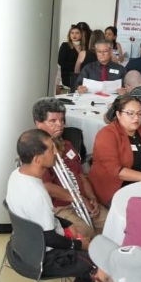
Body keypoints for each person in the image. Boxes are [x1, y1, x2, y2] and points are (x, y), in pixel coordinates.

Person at [6, 130, 94, 282]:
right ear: (37, 158)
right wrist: (79, 245)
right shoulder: (38, 193)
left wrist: (67, 224)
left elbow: (34, 218)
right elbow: (50, 238)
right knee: (97, 265)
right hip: (44, 257)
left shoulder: (16, 175)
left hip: (20, 246)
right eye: (51, 149)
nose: (55, 152)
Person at [32, 98, 107, 237]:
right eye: (53, 121)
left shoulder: (67, 145)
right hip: (60, 207)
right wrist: (79, 198)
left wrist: (92, 198)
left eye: (62, 120)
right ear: (39, 124)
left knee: (112, 223)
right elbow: (46, 186)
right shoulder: (37, 151)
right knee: (85, 232)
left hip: (82, 200)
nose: (60, 125)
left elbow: (80, 175)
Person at [89, 95, 141, 207]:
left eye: (140, 113)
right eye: (130, 113)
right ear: (118, 114)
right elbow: (115, 171)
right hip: (117, 188)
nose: (136, 118)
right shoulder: (107, 134)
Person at [58, 25, 84, 90]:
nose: (74, 35)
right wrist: (76, 66)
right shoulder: (65, 45)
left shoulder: (84, 47)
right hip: (69, 75)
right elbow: (60, 61)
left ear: (81, 35)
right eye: (72, 33)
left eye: (77, 33)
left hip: (82, 75)